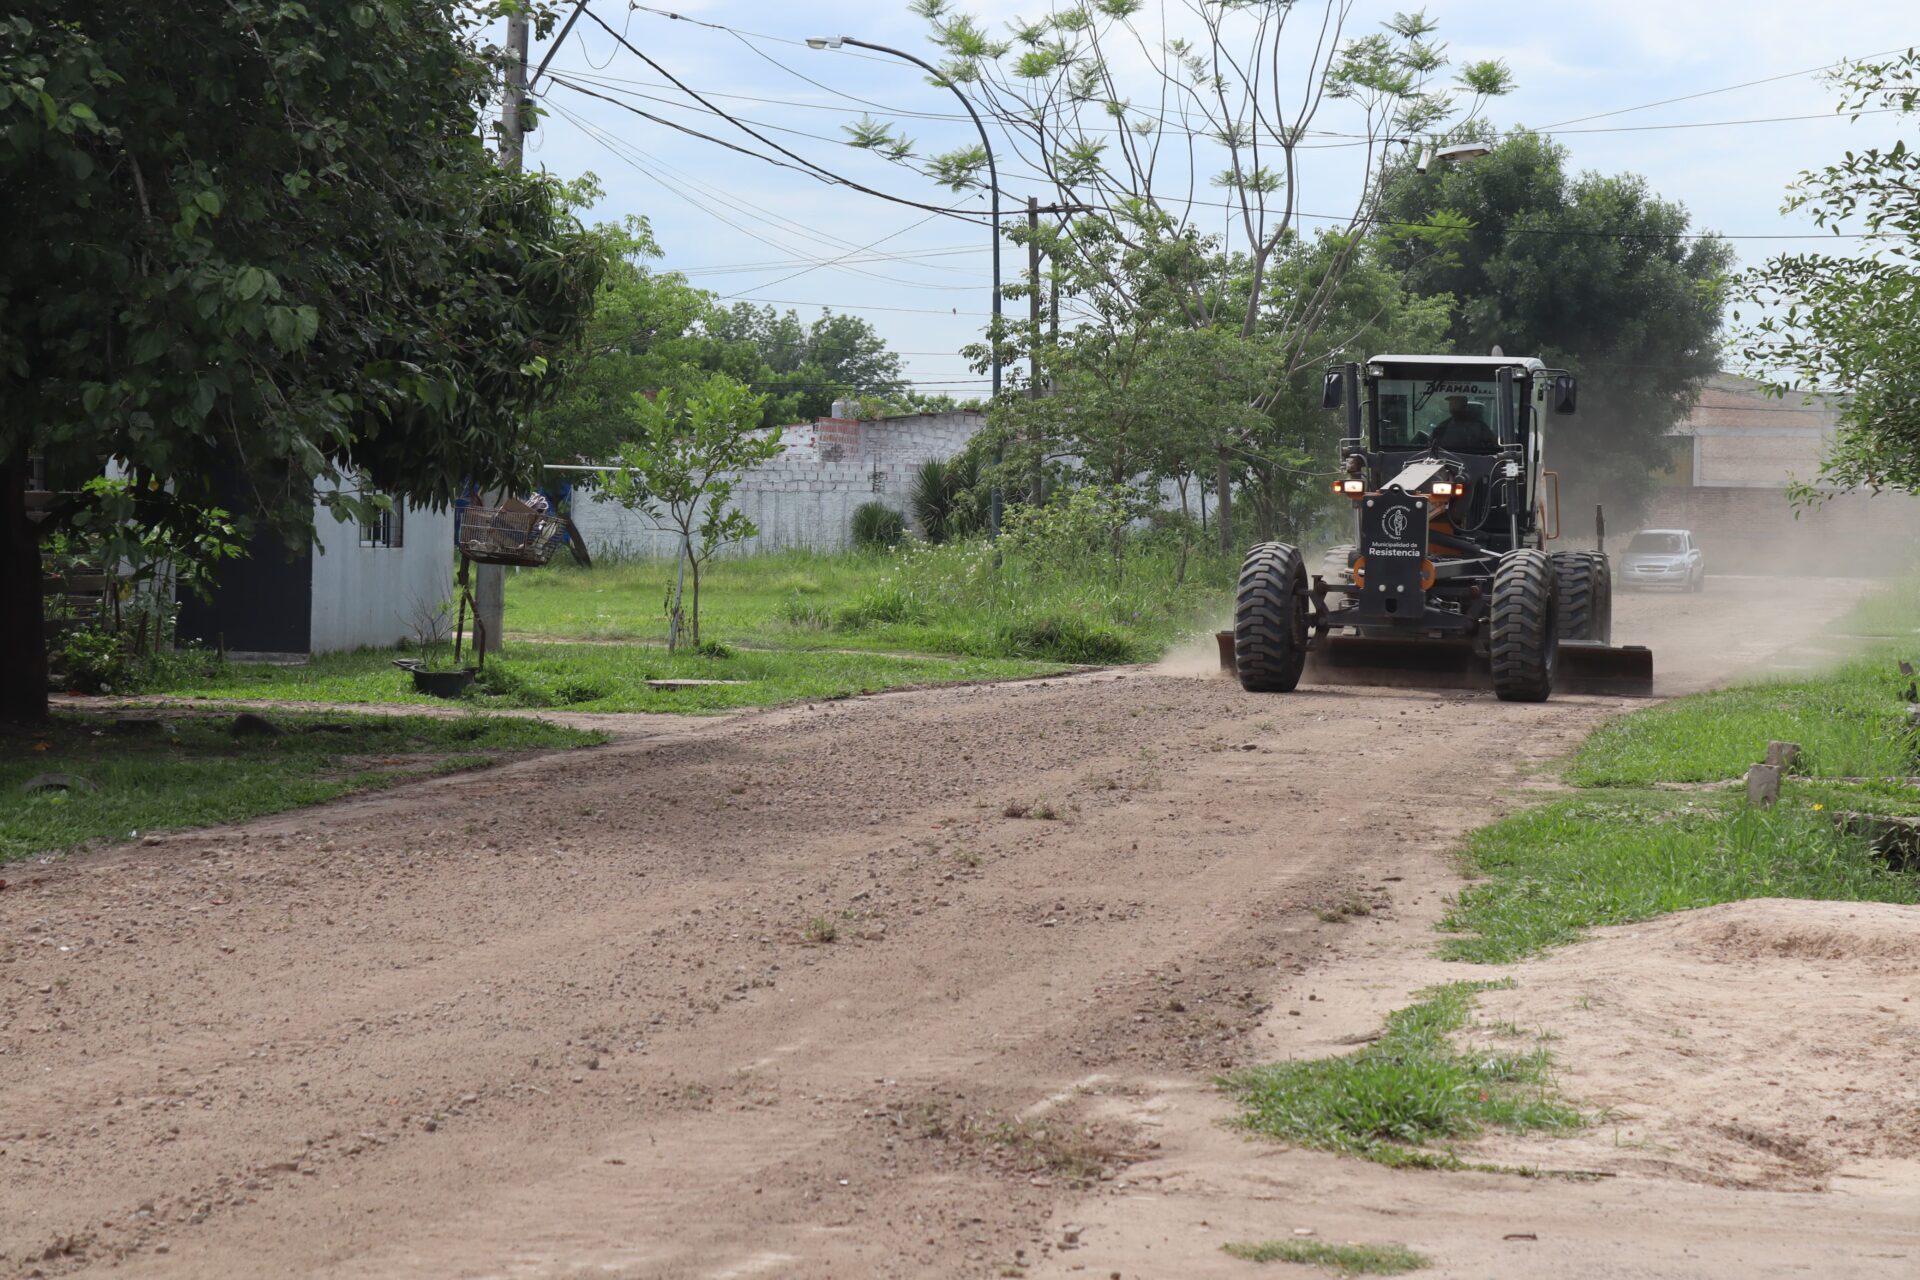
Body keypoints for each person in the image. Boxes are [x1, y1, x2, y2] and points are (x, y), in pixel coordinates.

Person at [1428, 395, 1498, 452]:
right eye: (1451, 404)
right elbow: (1431, 449)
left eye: (1456, 403)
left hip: (1475, 461)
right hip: (1445, 461)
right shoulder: (1442, 428)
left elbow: (1493, 447)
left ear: (1464, 405)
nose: (1453, 407)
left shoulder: (1480, 427)